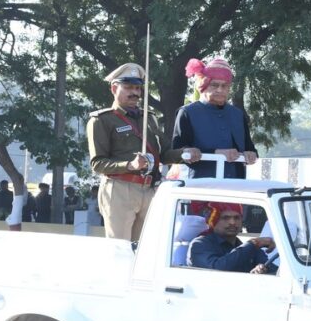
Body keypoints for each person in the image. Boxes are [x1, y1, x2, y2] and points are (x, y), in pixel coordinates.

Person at [89, 62, 201, 241]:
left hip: (148, 188)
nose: (135, 93)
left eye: (138, 88)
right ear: (114, 88)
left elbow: (164, 154)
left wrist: (184, 154)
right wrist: (130, 165)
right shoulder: (102, 120)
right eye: (128, 87)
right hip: (119, 188)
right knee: (120, 248)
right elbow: (98, 164)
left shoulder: (149, 118)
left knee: (143, 249)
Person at [172, 57, 258, 179]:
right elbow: (177, 153)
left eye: (224, 86)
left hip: (235, 187)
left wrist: (251, 154)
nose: (220, 90)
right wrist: (216, 153)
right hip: (197, 187)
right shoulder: (187, 112)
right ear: (204, 85)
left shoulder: (237, 115)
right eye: (214, 85)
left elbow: (250, 148)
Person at [188, 202, 276, 273]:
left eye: (237, 217)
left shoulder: (247, 247)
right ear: (213, 220)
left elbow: (273, 270)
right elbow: (216, 269)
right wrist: (253, 243)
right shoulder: (200, 244)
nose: (232, 222)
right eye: (225, 218)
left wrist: (262, 270)